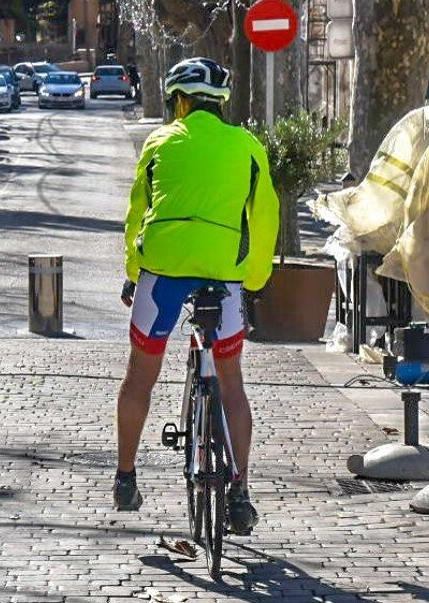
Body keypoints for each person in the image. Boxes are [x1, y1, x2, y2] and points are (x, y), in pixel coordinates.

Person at [115, 57, 279, 536]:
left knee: (140, 376)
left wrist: (133, 272)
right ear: (220, 103)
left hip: (163, 271)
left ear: (179, 102)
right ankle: (240, 493)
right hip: (224, 275)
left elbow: (138, 213)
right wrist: (254, 279)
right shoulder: (248, 146)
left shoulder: (159, 141)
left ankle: (125, 478)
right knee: (232, 384)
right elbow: (265, 217)